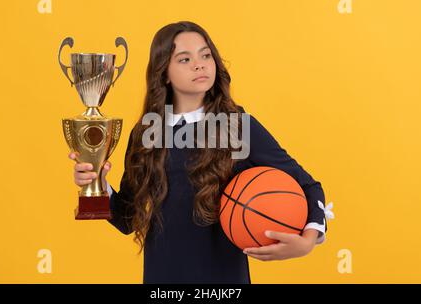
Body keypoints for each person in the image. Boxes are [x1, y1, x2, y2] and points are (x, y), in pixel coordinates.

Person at [68, 21, 330, 283]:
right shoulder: (146, 132)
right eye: (184, 59)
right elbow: (127, 219)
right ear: (164, 73)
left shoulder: (238, 126)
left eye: (206, 55)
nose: (199, 64)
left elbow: (307, 184)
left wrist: (307, 241)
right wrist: (97, 183)